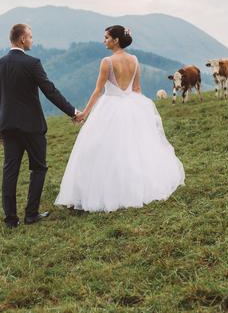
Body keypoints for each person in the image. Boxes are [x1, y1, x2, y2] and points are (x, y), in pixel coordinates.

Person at [54, 25, 184, 212]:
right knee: (134, 149)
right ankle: (134, 188)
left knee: (103, 150)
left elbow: (98, 90)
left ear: (116, 40)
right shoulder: (134, 60)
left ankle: (104, 191)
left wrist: (84, 113)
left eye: (106, 37)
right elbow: (137, 89)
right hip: (131, 105)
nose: (104, 41)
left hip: (110, 107)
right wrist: (140, 110)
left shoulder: (107, 62)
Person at [0, 23, 80, 228]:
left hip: (8, 126)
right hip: (32, 127)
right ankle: (31, 214)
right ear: (22, 39)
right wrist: (73, 112)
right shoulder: (32, 63)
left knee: (10, 171)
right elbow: (50, 91)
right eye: (30, 36)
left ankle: (11, 220)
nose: (32, 40)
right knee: (38, 168)